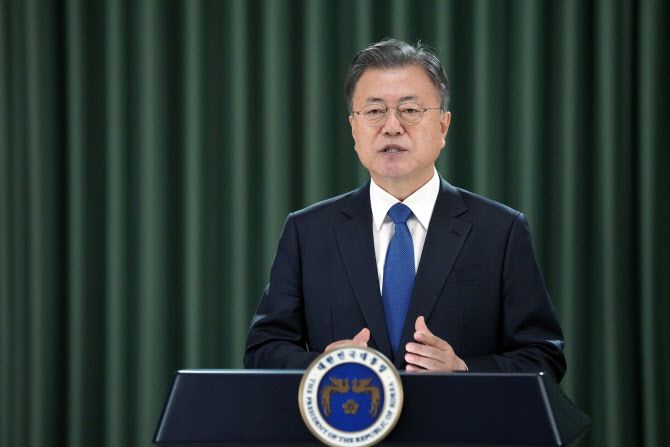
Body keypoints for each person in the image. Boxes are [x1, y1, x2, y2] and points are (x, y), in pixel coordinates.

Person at [244, 38, 566, 382]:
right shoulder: (308, 232)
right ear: (354, 129)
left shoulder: (500, 230)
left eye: (410, 110)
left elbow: (543, 356)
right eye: (374, 111)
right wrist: (321, 365)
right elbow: (263, 350)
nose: (392, 126)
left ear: (442, 126)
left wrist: (464, 369)